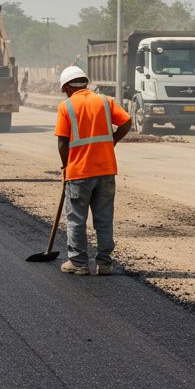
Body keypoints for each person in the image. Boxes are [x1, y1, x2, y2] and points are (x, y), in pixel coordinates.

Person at [54, 65, 132, 276]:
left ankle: (78, 263)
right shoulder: (105, 102)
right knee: (104, 219)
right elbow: (127, 121)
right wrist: (112, 141)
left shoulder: (66, 106)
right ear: (85, 82)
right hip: (106, 170)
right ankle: (104, 263)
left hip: (79, 172)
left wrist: (65, 166)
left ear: (68, 88)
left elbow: (62, 142)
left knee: (76, 219)